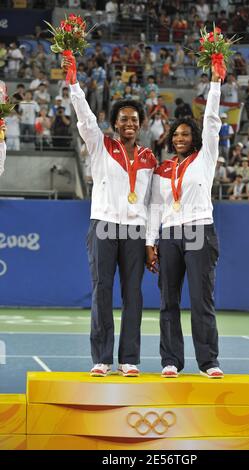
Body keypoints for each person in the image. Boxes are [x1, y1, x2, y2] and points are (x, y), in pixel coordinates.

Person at [62, 55, 157, 378]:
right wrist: (73, 83)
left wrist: (150, 241)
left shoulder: (149, 158)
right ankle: (101, 358)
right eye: (123, 119)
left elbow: (151, 203)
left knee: (134, 295)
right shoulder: (100, 145)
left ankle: (129, 358)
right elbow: (86, 118)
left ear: (141, 124)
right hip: (103, 225)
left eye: (134, 120)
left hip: (134, 230)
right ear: (115, 123)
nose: (129, 124)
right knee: (102, 291)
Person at [146, 66, 223, 379]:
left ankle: (209, 362)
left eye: (185, 134)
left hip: (199, 231)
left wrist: (216, 83)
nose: (180, 138)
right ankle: (171, 360)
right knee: (168, 301)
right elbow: (153, 209)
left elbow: (213, 122)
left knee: (201, 299)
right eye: (176, 134)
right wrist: (151, 243)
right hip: (169, 236)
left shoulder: (204, 159)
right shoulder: (162, 170)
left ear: (194, 138)